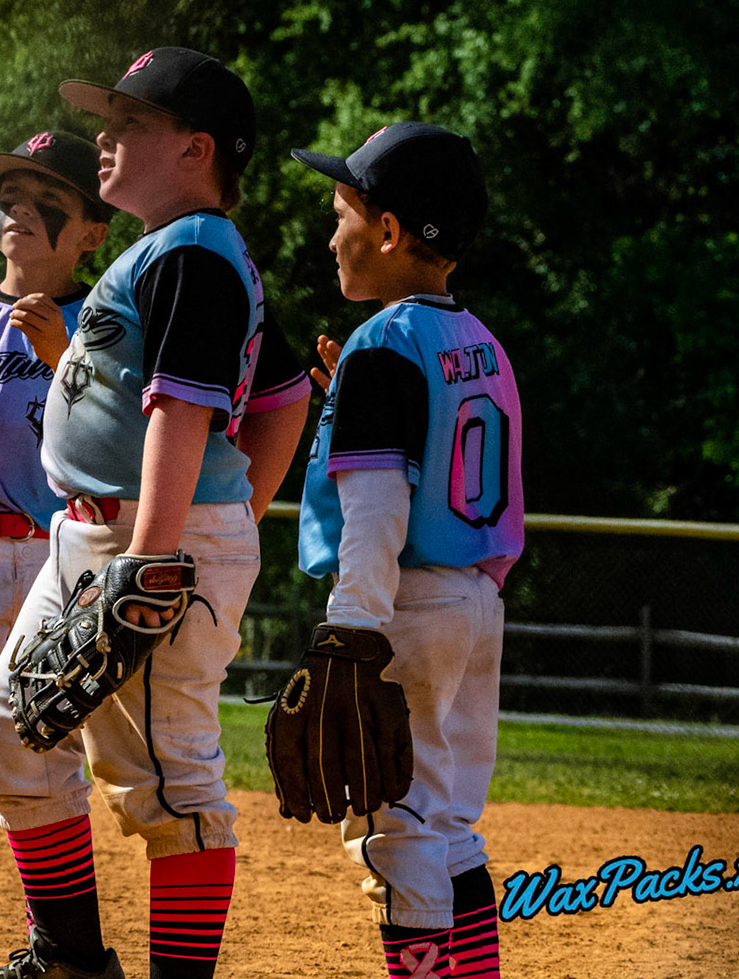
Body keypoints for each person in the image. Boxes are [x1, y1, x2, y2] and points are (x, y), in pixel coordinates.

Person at [0, 131, 310, 979]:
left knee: (167, 779)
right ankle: (69, 958)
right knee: (5, 731)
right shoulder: (156, 258)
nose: (110, 137)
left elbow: (256, 397)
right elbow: (278, 386)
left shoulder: (191, 256)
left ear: (191, 148)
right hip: (76, 539)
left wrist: (197, 532)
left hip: (140, 541)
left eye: (131, 121)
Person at [290, 123, 521, 979]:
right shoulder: (477, 339)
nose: (332, 237)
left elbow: (379, 508)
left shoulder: (384, 345)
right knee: (448, 822)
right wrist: (349, 395)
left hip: (403, 603)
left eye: (341, 214)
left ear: (388, 231)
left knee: (395, 828)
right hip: (475, 599)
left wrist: (351, 630)